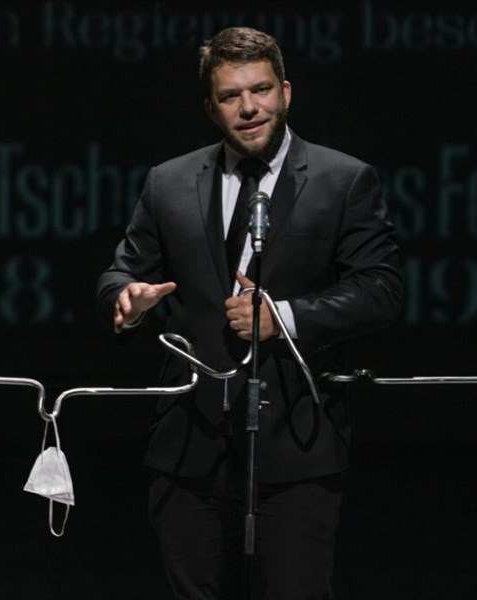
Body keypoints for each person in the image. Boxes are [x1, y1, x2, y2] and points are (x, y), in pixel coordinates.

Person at [96, 26, 402, 599]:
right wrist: (127, 301)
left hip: (296, 441)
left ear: (285, 91)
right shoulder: (169, 182)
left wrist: (283, 317)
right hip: (190, 443)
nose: (248, 108)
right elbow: (121, 274)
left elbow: (380, 290)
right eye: (230, 96)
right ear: (210, 107)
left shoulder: (342, 180)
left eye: (260, 90)